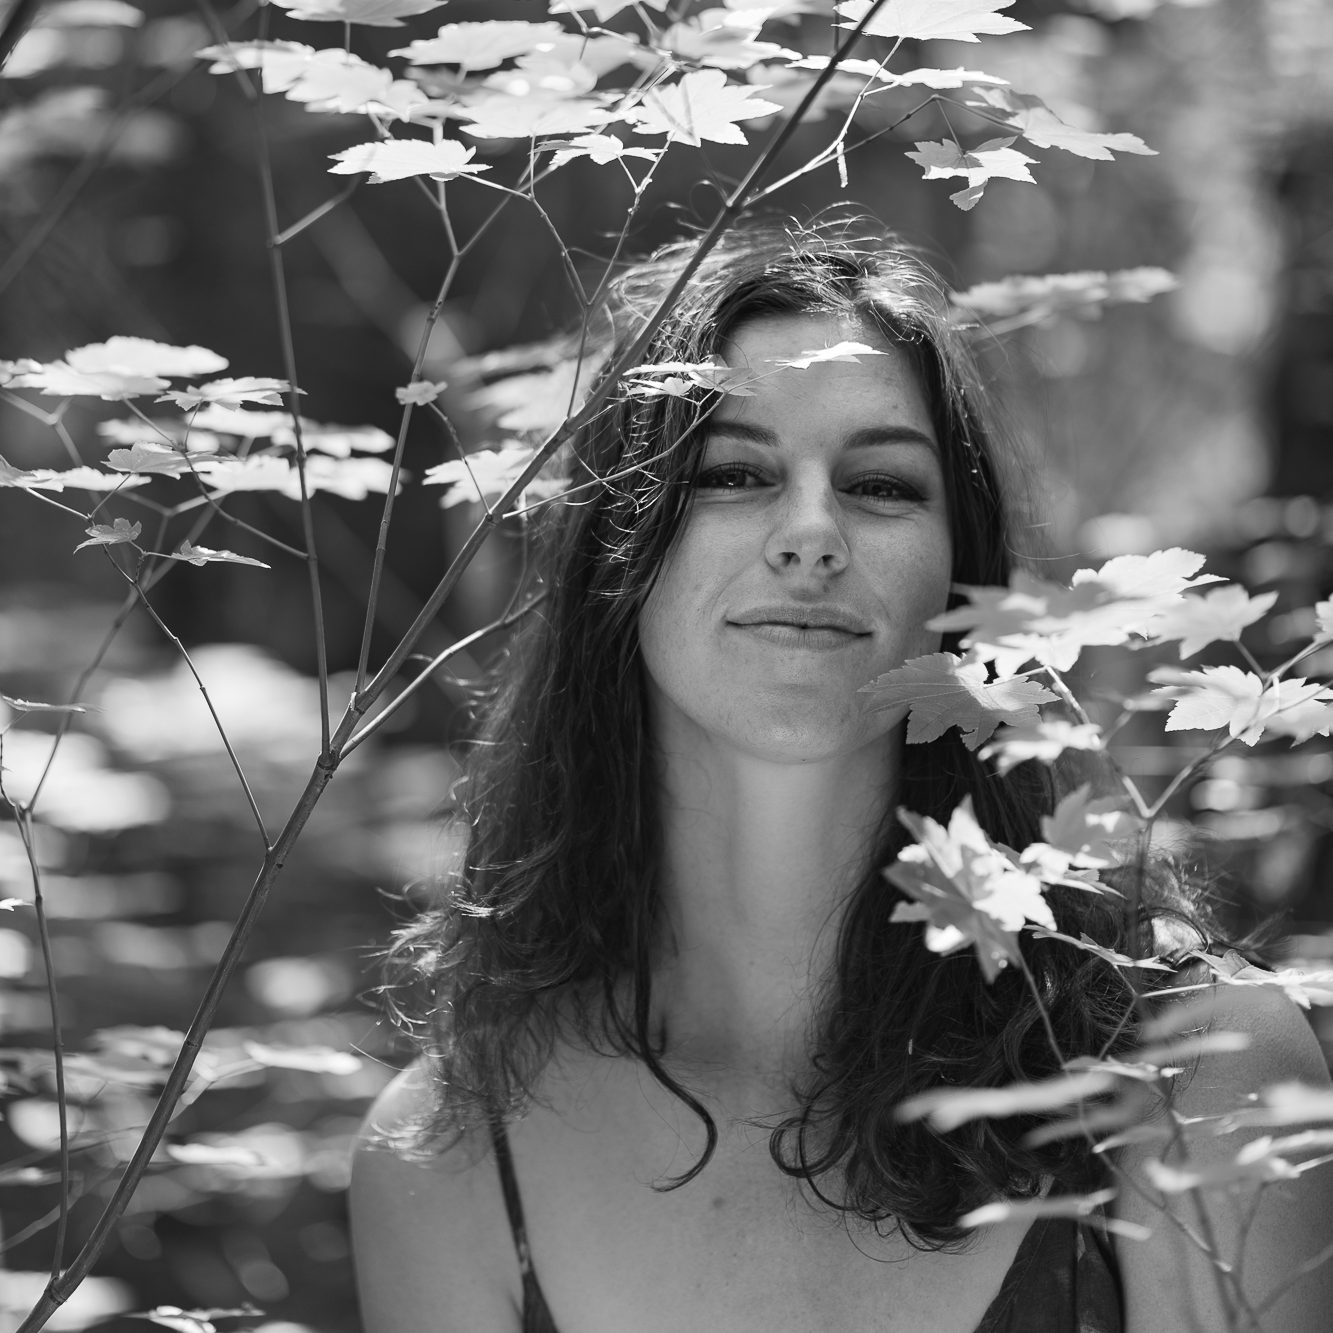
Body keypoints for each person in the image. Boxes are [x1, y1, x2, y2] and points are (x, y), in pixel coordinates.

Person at [349, 219, 1333, 1333]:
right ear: (612, 562)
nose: (810, 532)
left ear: (962, 578)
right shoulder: (449, 1159)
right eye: (732, 472)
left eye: (878, 485)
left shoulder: (1191, 1070)